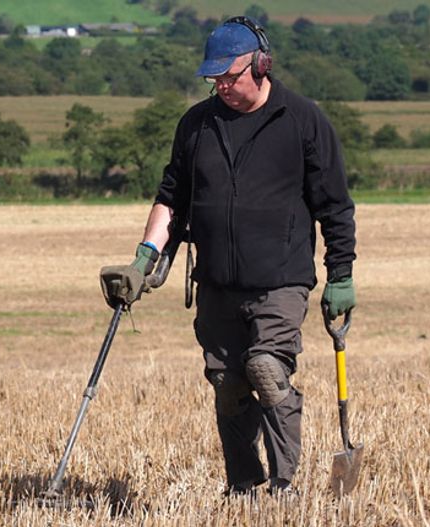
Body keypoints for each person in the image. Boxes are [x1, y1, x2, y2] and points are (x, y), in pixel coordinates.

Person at [99, 16, 357, 496]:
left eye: (229, 77)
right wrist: (143, 259)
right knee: (227, 381)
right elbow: (171, 198)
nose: (221, 87)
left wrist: (340, 274)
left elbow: (335, 206)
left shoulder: (302, 120)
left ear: (261, 66)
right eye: (213, 79)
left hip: (280, 278)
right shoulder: (197, 124)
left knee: (266, 368)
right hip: (216, 281)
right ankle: (242, 485)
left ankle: (284, 485)